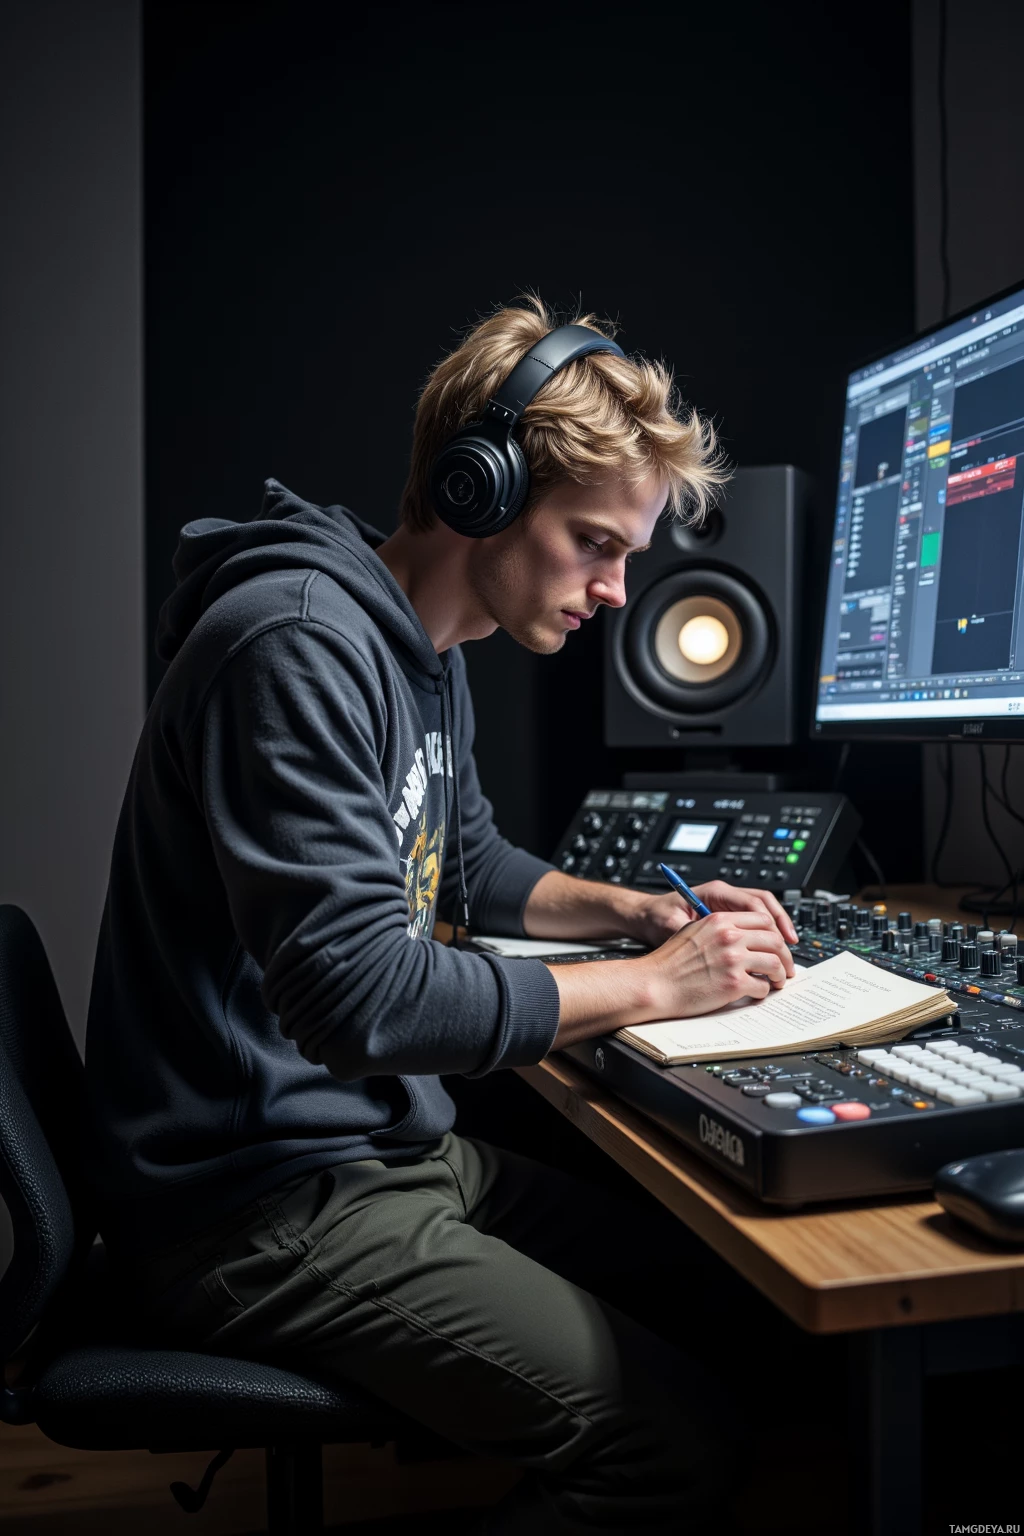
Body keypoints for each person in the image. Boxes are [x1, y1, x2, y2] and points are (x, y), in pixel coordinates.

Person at [85, 296, 798, 1532]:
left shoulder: (422, 651)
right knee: (671, 1447)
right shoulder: (295, 647)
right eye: (593, 545)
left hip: (382, 1156)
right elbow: (359, 997)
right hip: (253, 1206)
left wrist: (636, 910)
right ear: (477, 492)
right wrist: (656, 985)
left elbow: (470, 864)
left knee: (742, 1300)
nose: (619, 592)